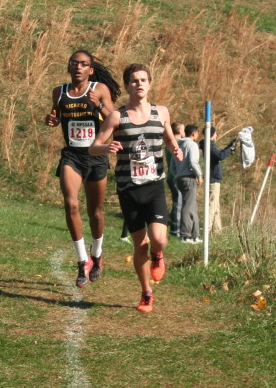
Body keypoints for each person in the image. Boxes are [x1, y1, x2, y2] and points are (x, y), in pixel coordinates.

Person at [90, 63, 183, 313]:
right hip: (128, 188)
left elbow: (168, 136)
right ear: (128, 86)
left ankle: (159, 255)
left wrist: (175, 147)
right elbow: (94, 145)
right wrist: (106, 148)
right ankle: (146, 292)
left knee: (159, 239)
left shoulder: (161, 112)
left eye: (143, 80)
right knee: (139, 244)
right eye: (134, 80)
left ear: (149, 84)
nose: (139, 84)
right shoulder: (117, 117)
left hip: (153, 186)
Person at [45, 50, 120, 288]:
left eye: (83, 64)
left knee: (95, 211)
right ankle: (82, 261)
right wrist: (52, 120)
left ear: (91, 70)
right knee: (71, 204)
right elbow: (57, 117)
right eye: (74, 63)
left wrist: (99, 108)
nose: (78, 67)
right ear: (69, 67)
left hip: (96, 156)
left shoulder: (100, 90)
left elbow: (115, 119)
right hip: (73, 156)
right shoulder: (60, 92)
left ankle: (97, 255)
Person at [199, 127, 237, 234]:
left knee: (216, 205)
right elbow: (220, 156)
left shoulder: (208, 145)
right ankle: (207, 229)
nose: (216, 136)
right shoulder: (208, 145)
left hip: (214, 178)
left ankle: (217, 231)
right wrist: (230, 148)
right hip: (213, 179)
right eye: (215, 134)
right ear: (211, 134)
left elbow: (219, 154)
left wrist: (230, 146)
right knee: (212, 204)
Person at [172, 124, 203, 244]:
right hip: (189, 178)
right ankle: (185, 235)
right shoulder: (192, 145)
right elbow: (193, 161)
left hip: (179, 177)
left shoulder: (178, 145)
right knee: (188, 206)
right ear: (194, 133)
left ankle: (195, 235)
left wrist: (177, 175)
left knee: (192, 206)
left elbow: (172, 166)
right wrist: (199, 175)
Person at [166, 122, 184, 237]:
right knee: (178, 203)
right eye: (182, 129)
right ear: (179, 131)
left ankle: (175, 227)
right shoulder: (178, 144)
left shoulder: (168, 144)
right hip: (176, 176)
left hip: (170, 175)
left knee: (177, 202)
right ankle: (175, 230)